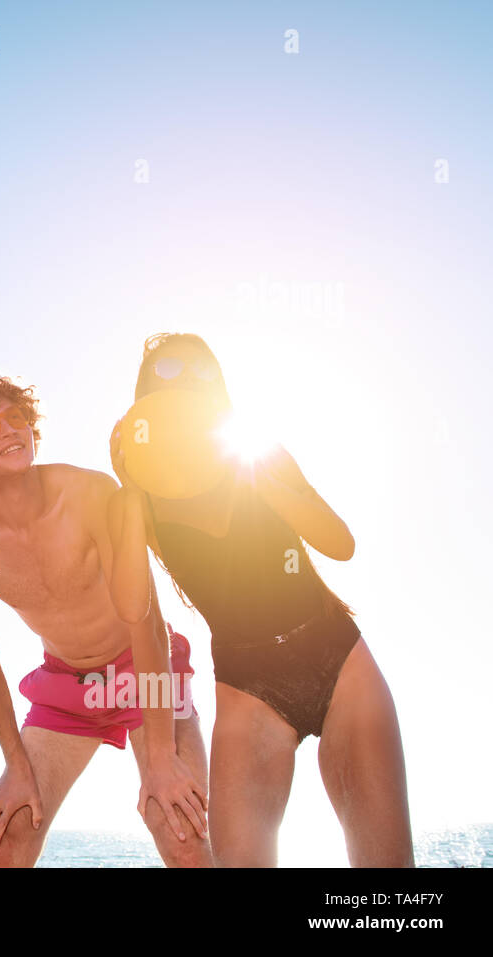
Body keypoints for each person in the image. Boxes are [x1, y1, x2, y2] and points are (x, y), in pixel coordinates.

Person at [107, 333, 413, 867]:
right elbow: (134, 609)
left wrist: (270, 483)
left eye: (202, 372)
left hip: (338, 658)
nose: (187, 383)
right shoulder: (139, 502)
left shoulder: (257, 451)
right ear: (146, 400)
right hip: (248, 686)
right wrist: (132, 489)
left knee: (388, 876)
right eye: (169, 372)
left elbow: (340, 545)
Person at [0, 372, 212, 868]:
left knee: (179, 828)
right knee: (8, 836)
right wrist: (15, 764)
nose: (9, 429)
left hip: (146, 673)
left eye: (16, 417)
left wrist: (161, 755)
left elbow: (146, 621)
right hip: (67, 688)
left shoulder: (88, 493)